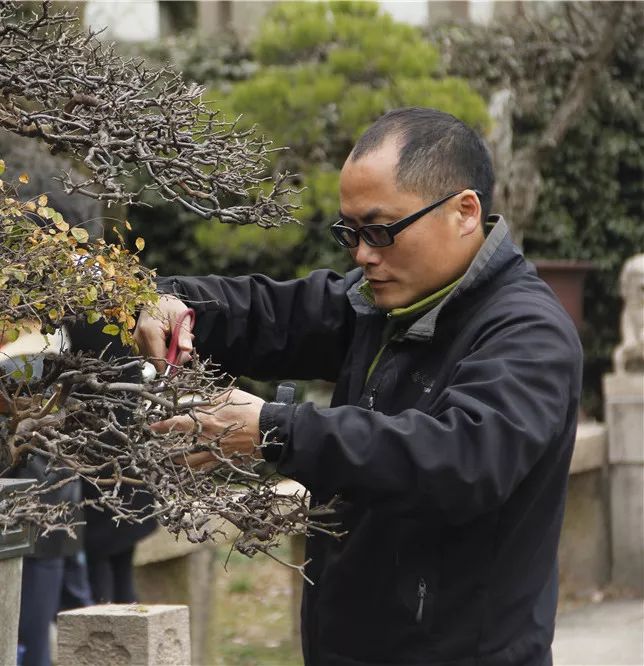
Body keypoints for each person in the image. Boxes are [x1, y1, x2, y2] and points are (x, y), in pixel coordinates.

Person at [135, 107, 583, 666]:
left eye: (381, 231)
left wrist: (274, 429)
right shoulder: (373, 301)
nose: (363, 254)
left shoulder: (528, 333)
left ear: (464, 212)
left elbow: (459, 459)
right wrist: (157, 299)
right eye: (350, 232)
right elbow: (267, 314)